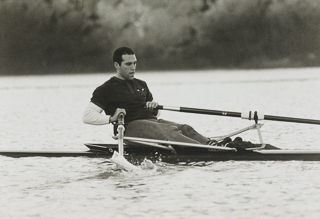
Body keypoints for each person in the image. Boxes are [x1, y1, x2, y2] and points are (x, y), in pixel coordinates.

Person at [83, 47, 215, 145]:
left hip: (152, 123)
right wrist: (111, 118)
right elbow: (87, 116)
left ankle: (212, 144)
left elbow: (155, 115)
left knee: (184, 128)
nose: (133, 67)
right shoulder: (105, 89)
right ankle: (204, 149)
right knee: (170, 131)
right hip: (129, 128)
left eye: (135, 63)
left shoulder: (142, 84)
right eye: (128, 64)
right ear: (117, 65)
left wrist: (154, 109)